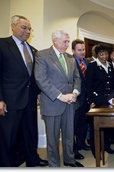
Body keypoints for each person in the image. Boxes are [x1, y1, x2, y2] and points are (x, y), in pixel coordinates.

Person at [0, 15, 48, 167]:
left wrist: (38, 94)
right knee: (9, 136)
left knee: (30, 133)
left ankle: (32, 159)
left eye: (29, 29)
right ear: (13, 26)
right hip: (9, 101)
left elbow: (33, 77)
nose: (27, 31)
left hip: (30, 101)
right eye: (24, 27)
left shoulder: (34, 50)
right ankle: (8, 166)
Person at [34, 30, 83, 167]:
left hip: (70, 102)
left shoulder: (70, 58)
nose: (68, 44)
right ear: (55, 40)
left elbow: (77, 78)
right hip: (52, 103)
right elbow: (41, 79)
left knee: (69, 135)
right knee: (53, 138)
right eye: (65, 41)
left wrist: (74, 93)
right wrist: (60, 96)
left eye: (68, 41)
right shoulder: (42, 55)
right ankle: (54, 165)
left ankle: (69, 159)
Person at [85, 44, 114, 156]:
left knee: (107, 125)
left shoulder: (110, 65)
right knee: (95, 126)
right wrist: (91, 101)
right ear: (97, 55)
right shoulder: (92, 66)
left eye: (106, 54)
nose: (104, 56)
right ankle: (96, 149)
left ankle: (106, 146)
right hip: (97, 101)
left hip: (108, 101)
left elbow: (113, 85)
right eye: (101, 54)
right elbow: (88, 86)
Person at [71, 39, 91, 160]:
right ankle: (74, 150)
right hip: (75, 99)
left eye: (83, 49)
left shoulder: (87, 61)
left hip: (86, 100)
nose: (82, 52)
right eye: (79, 50)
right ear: (73, 50)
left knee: (83, 124)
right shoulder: (70, 61)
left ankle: (81, 143)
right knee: (73, 126)